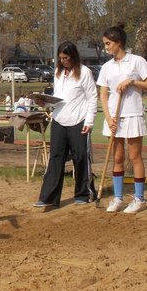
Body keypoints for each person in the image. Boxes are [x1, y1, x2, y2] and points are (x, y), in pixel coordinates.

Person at [96, 23, 147, 214]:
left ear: (118, 43)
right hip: (114, 116)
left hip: (132, 113)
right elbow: (103, 94)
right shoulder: (106, 67)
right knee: (117, 157)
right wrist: (108, 117)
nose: (106, 47)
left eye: (108, 44)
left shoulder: (137, 61)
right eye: (105, 44)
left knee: (134, 156)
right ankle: (118, 198)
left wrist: (131, 82)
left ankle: (139, 199)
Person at [33, 41, 98, 208]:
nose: (63, 61)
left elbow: (92, 98)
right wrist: (45, 103)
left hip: (79, 120)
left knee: (81, 157)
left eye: (66, 58)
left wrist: (89, 121)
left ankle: (84, 194)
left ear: (73, 56)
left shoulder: (85, 72)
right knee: (55, 157)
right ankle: (48, 197)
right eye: (61, 58)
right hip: (59, 119)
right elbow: (58, 98)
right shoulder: (58, 72)